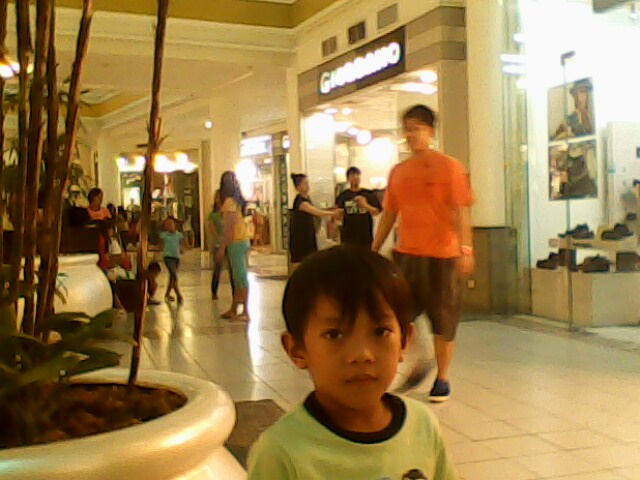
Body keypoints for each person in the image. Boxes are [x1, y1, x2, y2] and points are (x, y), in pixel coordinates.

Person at [247, 246, 458, 480]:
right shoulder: (281, 453)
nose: (362, 354)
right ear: (296, 349)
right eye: (334, 334)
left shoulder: (422, 426)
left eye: (380, 331)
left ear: (404, 341)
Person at [372, 105, 474, 403]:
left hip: (443, 256)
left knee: (444, 319)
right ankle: (419, 359)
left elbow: (461, 211)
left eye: (416, 128)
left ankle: (442, 378)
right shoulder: (399, 172)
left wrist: (466, 248)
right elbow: (389, 213)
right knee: (396, 314)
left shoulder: (449, 167)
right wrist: (373, 250)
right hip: (407, 255)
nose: (411, 134)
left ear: (430, 131)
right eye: (407, 128)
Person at [215, 171, 251, 321]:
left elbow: (229, 228)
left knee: (240, 277)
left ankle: (245, 311)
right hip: (240, 240)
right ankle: (234, 308)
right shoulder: (235, 201)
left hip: (236, 242)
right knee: (237, 277)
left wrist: (222, 248)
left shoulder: (229, 202)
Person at [289, 173, 335, 270]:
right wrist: (332, 213)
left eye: (307, 183)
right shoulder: (300, 201)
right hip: (300, 237)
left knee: (309, 261)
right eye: (304, 183)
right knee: (299, 263)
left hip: (308, 235)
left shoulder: (308, 198)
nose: (307, 185)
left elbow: (317, 211)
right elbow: (316, 212)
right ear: (298, 187)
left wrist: (331, 210)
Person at [335, 166, 381, 248]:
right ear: (348, 179)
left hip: (365, 233)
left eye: (357, 175)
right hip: (348, 233)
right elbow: (339, 213)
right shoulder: (343, 195)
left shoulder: (368, 193)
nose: (356, 177)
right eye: (352, 175)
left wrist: (365, 205)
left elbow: (377, 212)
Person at [208, 190, 231, 300]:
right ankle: (214, 292)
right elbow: (211, 230)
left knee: (232, 270)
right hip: (218, 245)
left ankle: (235, 294)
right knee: (217, 269)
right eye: (217, 197)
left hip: (230, 244)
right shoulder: (213, 215)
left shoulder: (229, 213)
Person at [160, 216, 184, 305]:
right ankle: (178, 294)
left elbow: (181, 244)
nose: (169, 226)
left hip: (176, 257)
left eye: (171, 224)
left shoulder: (179, 235)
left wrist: (182, 249)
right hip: (168, 257)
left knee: (172, 277)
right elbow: (160, 245)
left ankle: (167, 294)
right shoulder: (164, 235)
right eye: (167, 224)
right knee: (174, 275)